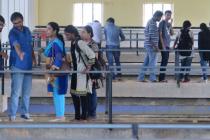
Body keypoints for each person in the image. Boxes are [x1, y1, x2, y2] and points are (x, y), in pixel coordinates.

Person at [9, 12, 36, 122]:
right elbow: (16, 44)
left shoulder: (27, 30)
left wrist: (33, 58)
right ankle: (13, 114)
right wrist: (20, 53)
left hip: (28, 65)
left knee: (26, 92)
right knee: (15, 92)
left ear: (22, 20)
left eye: (19, 22)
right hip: (17, 66)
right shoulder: (12, 33)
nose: (18, 25)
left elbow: (30, 45)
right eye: (15, 23)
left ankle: (25, 112)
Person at [64, 25, 95, 121]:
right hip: (75, 72)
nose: (66, 37)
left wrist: (88, 68)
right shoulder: (73, 43)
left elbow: (92, 54)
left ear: (73, 34)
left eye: (67, 35)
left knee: (82, 96)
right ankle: (77, 116)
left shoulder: (80, 42)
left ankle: (83, 117)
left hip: (81, 73)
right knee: (74, 94)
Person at [44, 22, 68, 122]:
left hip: (56, 71)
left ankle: (60, 116)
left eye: (49, 29)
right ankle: (59, 115)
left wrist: (55, 66)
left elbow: (58, 55)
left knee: (58, 93)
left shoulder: (56, 42)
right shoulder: (52, 41)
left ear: (55, 31)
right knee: (56, 93)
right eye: (46, 28)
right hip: (53, 70)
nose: (46, 30)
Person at [137, 11, 163, 82]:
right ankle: (152, 78)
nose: (160, 19)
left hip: (149, 45)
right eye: (160, 17)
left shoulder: (151, 22)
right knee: (153, 62)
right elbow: (150, 37)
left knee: (146, 62)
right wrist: (156, 47)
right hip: (151, 46)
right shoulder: (152, 23)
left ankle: (141, 77)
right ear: (157, 16)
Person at [80, 25, 99, 119]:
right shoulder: (81, 43)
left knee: (92, 92)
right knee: (84, 92)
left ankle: (92, 113)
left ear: (89, 34)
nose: (81, 34)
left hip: (91, 71)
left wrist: (89, 69)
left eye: (83, 32)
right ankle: (85, 112)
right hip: (82, 71)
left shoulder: (93, 44)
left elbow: (95, 59)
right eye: (81, 32)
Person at [158, 10, 174, 82]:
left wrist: (171, 25)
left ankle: (162, 77)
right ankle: (161, 78)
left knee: (165, 61)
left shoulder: (168, 24)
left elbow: (172, 33)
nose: (169, 16)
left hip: (167, 45)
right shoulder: (162, 23)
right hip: (163, 45)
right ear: (165, 15)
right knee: (164, 61)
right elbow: (160, 35)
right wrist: (163, 46)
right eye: (167, 15)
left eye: (170, 15)